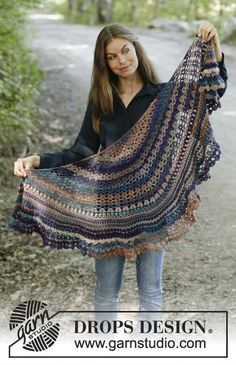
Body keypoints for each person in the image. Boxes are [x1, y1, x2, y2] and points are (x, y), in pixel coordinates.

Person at [13, 23, 227, 320]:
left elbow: (210, 90)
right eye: (111, 57)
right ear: (105, 63)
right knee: (105, 291)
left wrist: (213, 46)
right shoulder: (102, 101)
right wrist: (37, 160)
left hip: (152, 205)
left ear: (136, 49)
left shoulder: (163, 96)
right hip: (108, 207)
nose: (121, 60)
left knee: (151, 291)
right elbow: (81, 152)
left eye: (125, 51)